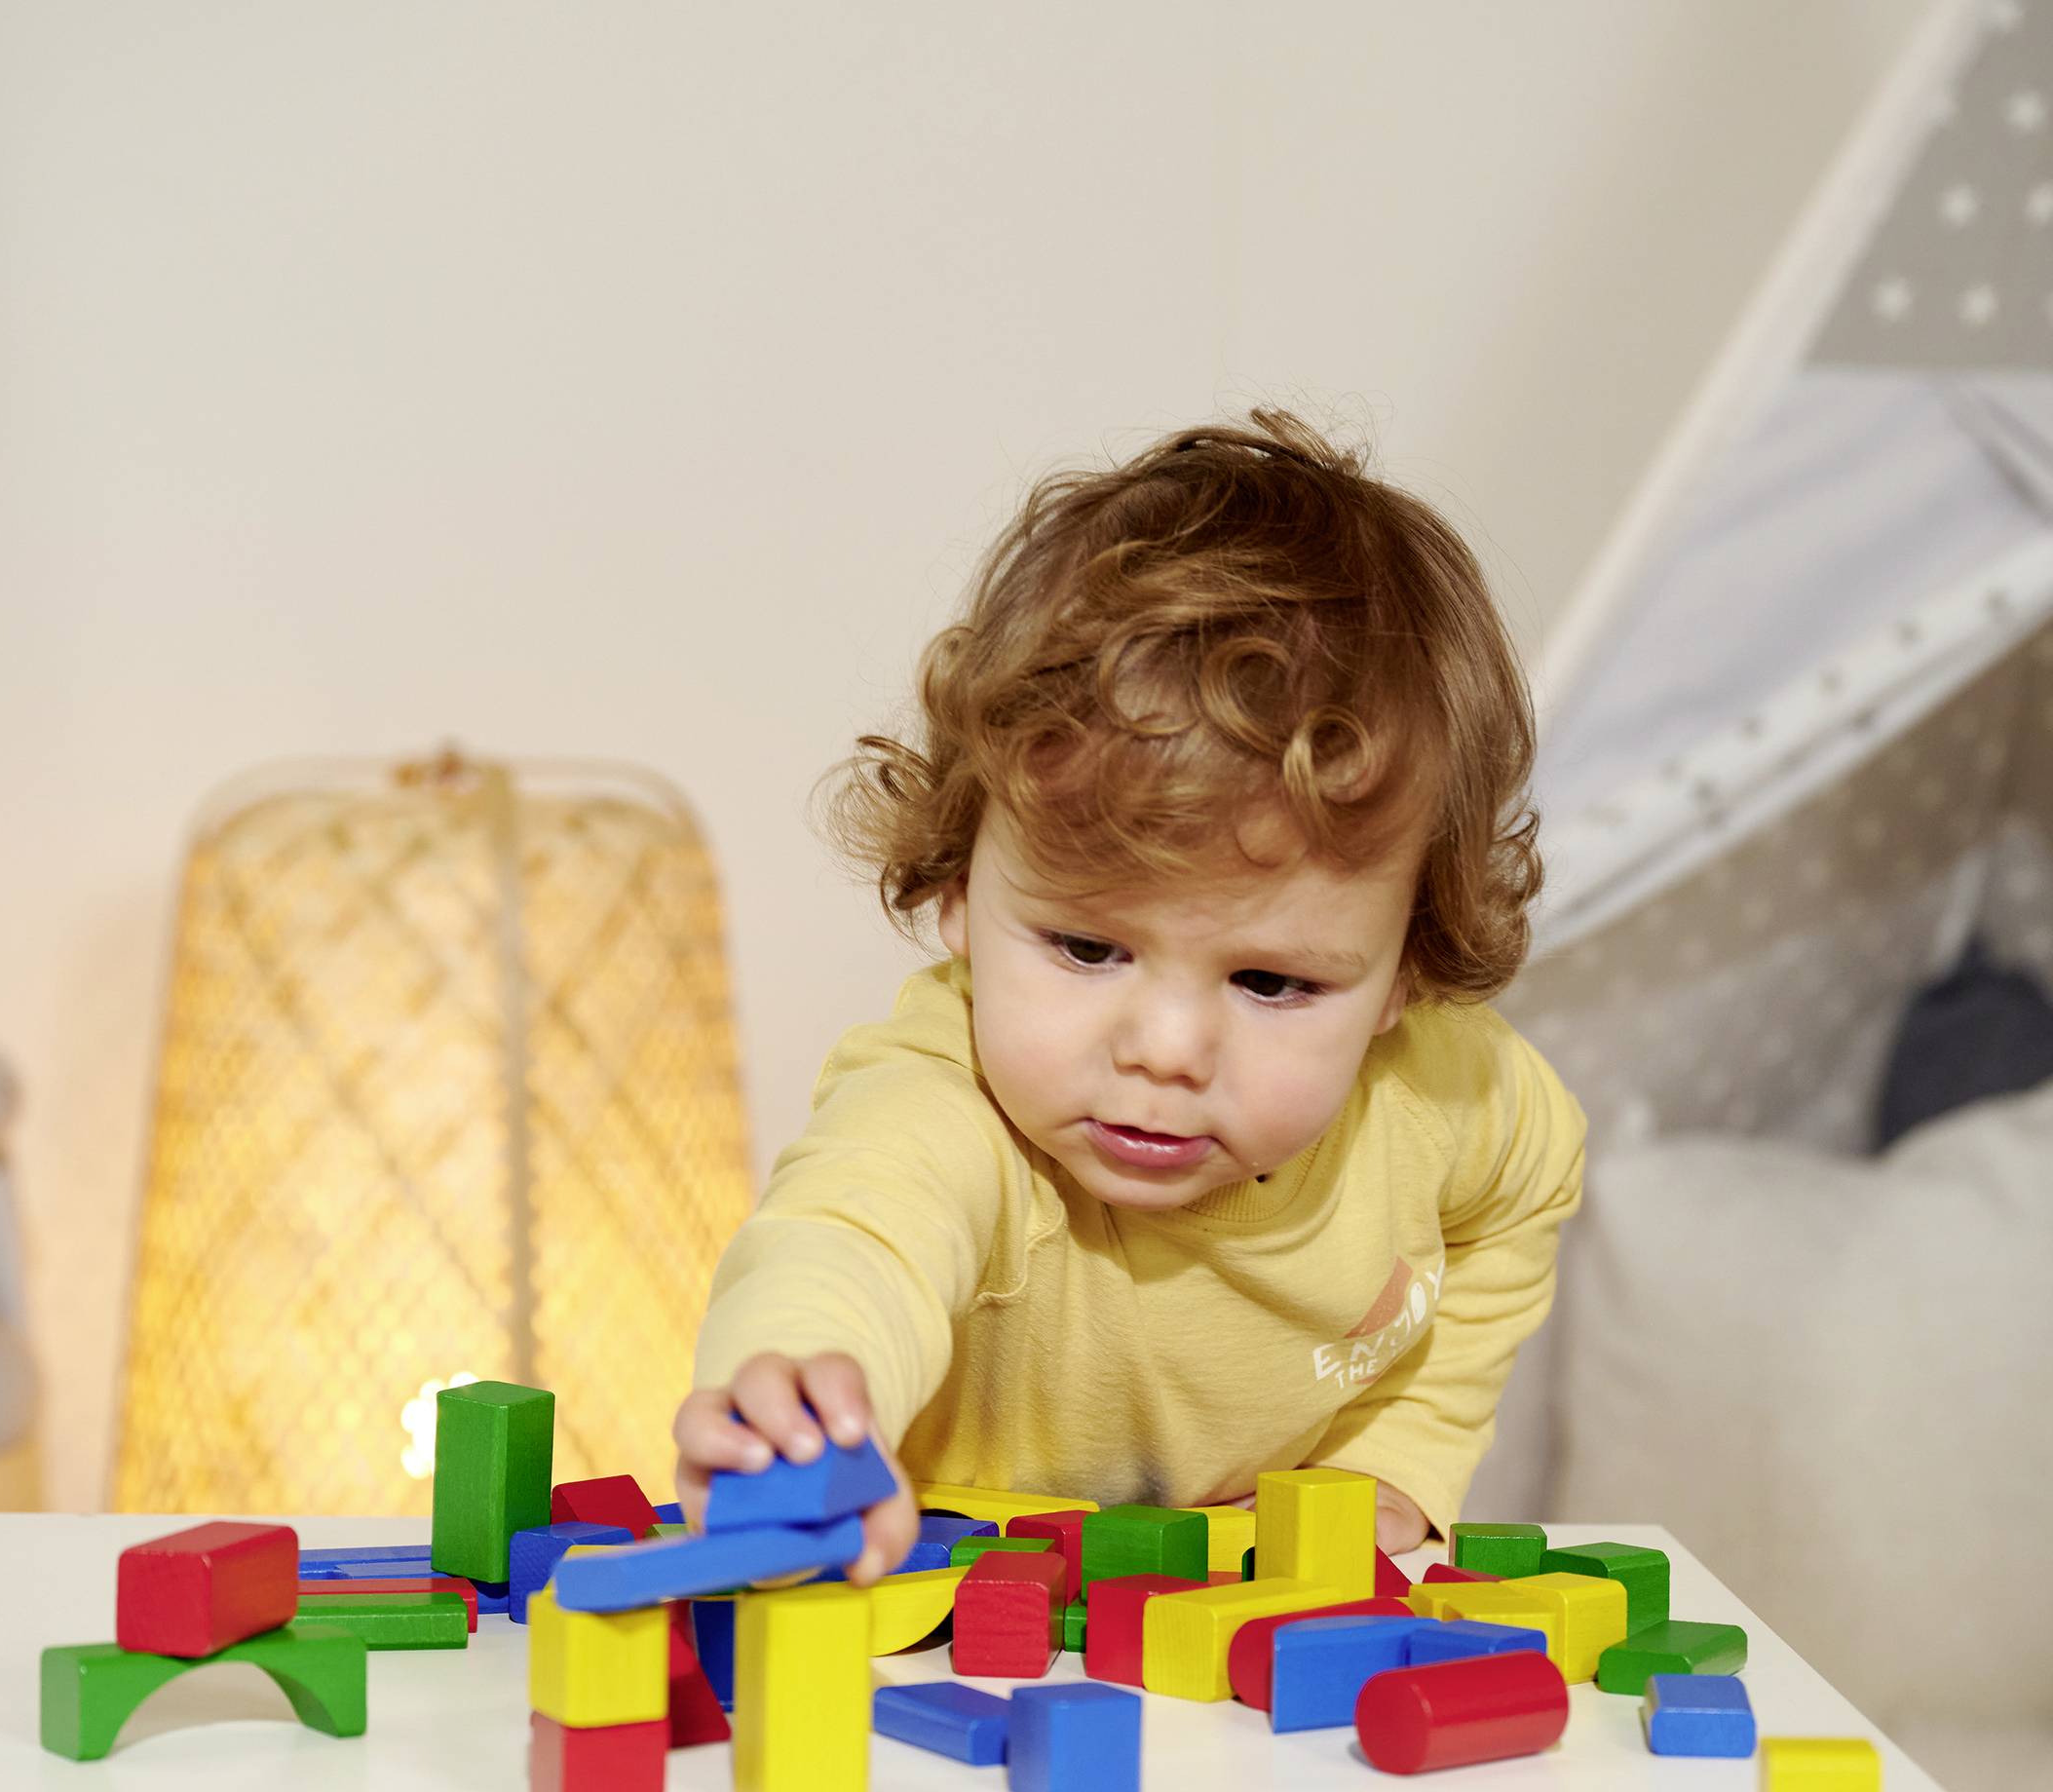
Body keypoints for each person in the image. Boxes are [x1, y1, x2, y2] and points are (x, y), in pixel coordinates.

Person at [675, 407, 1584, 1582]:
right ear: (956, 883)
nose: (1164, 1050)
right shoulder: (945, 1101)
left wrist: (1402, 1453)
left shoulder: (1458, 1102)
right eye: (1089, 949)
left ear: (1407, 969)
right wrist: (796, 1383)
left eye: (1270, 981)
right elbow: (857, 1232)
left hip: (1232, 1651)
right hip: (950, 1626)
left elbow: (1528, 1186)